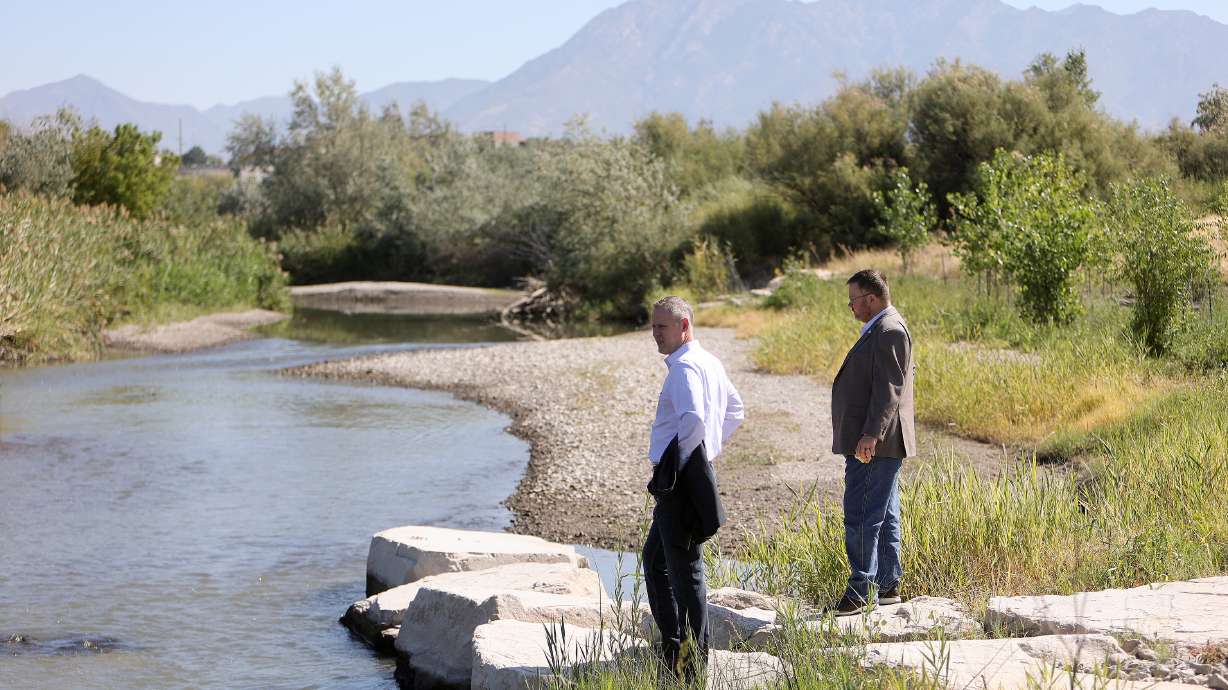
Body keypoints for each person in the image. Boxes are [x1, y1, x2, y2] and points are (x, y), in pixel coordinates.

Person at [643, 295, 744, 681]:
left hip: (680, 481)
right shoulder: (709, 361)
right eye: (653, 326)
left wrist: (681, 464)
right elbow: (735, 410)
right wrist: (708, 453)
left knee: (685, 573)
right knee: (656, 562)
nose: (656, 334)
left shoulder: (685, 368)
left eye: (662, 327)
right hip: (687, 475)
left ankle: (688, 666)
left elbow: (695, 420)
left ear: (684, 326)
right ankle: (673, 648)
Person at [829, 269, 916, 616]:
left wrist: (871, 435)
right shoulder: (882, 327)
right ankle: (888, 584)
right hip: (877, 441)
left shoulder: (890, 330)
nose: (850, 307)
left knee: (862, 512)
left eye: (853, 301)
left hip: (876, 443)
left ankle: (861, 589)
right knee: (885, 512)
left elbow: (889, 390)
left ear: (871, 299)